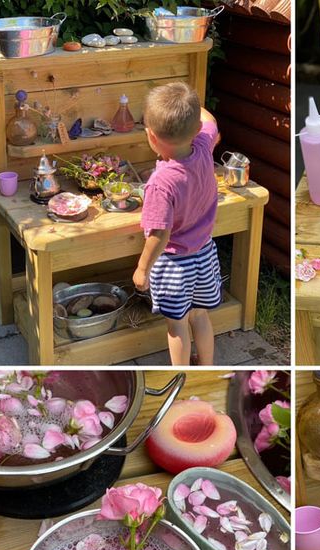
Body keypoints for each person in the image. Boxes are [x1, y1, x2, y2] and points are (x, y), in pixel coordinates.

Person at [133, 82, 221, 365]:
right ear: (195, 129)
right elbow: (211, 122)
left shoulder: (160, 183)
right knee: (200, 315)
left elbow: (159, 233)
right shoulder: (204, 146)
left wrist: (142, 269)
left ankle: (183, 374)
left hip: (174, 265)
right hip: (205, 255)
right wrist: (191, 107)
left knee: (178, 325)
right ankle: (206, 366)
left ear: (151, 137)